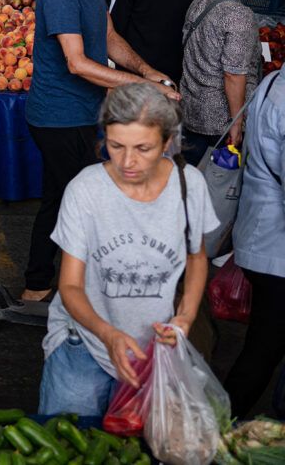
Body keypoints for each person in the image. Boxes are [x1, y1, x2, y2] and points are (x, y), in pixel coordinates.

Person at [23, 0, 179, 302]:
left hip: (79, 114)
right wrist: (145, 87)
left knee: (59, 200)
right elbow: (76, 63)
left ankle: (37, 284)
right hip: (58, 119)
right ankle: (73, 288)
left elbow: (108, 37)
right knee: (84, 204)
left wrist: (147, 70)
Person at [37, 83, 216, 416]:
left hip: (154, 349)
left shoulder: (188, 185)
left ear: (167, 142)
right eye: (116, 146)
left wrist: (186, 317)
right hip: (84, 344)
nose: (128, 161)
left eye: (143, 148)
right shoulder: (86, 190)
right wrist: (109, 335)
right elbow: (71, 285)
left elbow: (196, 258)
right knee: (69, 444)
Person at [225, 66, 285, 418]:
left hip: (261, 237)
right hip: (275, 250)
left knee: (263, 350)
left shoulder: (273, 80)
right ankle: (211, 438)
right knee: (261, 353)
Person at [179, 0, 261, 166]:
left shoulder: (199, 1)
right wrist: (237, 122)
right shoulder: (238, 14)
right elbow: (233, 74)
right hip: (219, 124)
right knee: (219, 190)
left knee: (191, 184)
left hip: (190, 111)